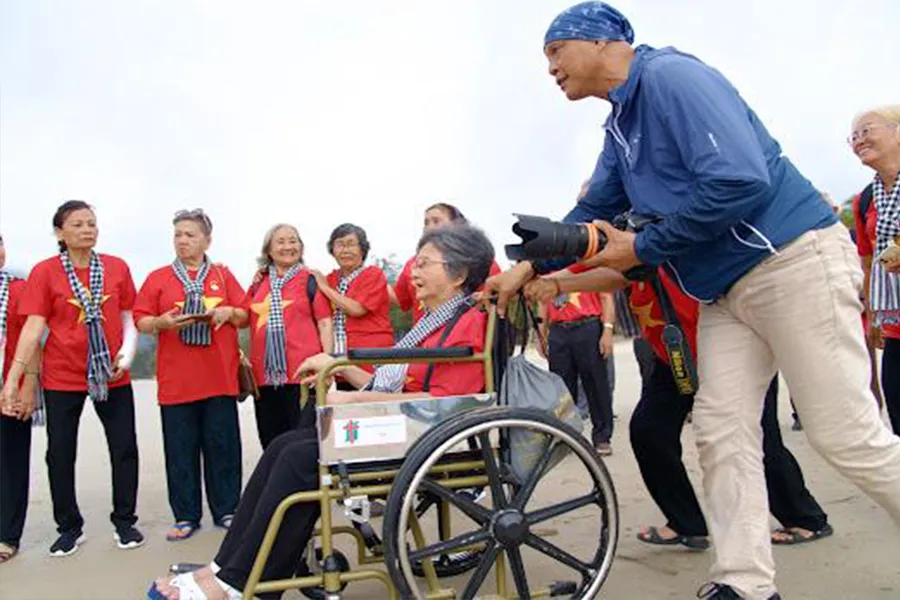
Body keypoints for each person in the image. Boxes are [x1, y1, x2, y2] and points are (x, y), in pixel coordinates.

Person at [484, 4, 900, 598]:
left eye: (555, 51)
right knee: (721, 430)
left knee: (846, 435)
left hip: (790, 260)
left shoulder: (670, 77)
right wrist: (524, 266)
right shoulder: (620, 129)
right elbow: (588, 216)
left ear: (604, 41)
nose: (549, 68)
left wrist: (645, 244)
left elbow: (739, 180)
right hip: (722, 290)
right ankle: (745, 583)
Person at [148, 224, 494, 600]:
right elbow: (393, 383)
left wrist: (349, 400)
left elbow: (440, 404)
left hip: (424, 436)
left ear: (458, 275)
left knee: (301, 457)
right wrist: (337, 366)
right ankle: (226, 568)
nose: (413, 271)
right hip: (401, 425)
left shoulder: (466, 324)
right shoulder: (433, 323)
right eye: (416, 262)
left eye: (425, 263)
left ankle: (236, 581)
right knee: (284, 445)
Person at [527, 265, 833, 552]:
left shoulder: (660, 234)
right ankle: (688, 523)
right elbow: (597, 266)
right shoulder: (620, 241)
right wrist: (542, 279)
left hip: (732, 348)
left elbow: (612, 271)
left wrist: (553, 283)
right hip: (673, 354)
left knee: (760, 437)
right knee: (649, 431)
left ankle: (805, 518)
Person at [2, 200, 144, 557]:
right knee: (60, 453)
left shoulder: (116, 267)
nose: (87, 229)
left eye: (92, 223)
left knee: (124, 447)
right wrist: (13, 380)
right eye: (78, 224)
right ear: (59, 232)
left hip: (110, 375)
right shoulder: (45, 272)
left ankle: (125, 521)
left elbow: (129, 315)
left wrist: (127, 353)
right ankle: (68, 526)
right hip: (62, 375)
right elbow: (33, 327)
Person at [134, 209, 248, 541]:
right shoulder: (158, 278)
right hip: (177, 381)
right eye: (178, 235)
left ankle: (227, 509)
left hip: (219, 378)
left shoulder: (224, 276)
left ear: (207, 240)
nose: (182, 241)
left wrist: (228, 311)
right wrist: (160, 323)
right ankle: (185, 515)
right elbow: (141, 318)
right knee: (180, 451)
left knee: (223, 447)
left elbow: (244, 313)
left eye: (190, 235)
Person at [243, 224, 333, 449]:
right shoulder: (258, 284)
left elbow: (325, 323)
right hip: (264, 379)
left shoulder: (310, 280)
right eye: (280, 242)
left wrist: (327, 365)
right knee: (271, 443)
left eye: (293, 241)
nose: (288, 247)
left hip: (302, 376)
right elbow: (241, 318)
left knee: (303, 443)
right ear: (268, 251)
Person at [850, 106, 900, 433]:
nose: (858, 140)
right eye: (853, 136)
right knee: (896, 406)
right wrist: (873, 317)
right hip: (895, 322)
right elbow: (867, 263)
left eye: (867, 130)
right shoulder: (866, 199)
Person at [537, 273, 615, 454]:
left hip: (588, 326)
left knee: (596, 384)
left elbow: (606, 297)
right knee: (561, 387)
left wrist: (607, 331)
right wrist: (541, 335)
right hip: (559, 330)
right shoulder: (546, 268)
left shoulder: (588, 266)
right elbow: (542, 303)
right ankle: (565, 435)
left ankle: (602, 437)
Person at [0, 234, 41, 564]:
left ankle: (6, 535)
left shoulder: (19, 289)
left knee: (11, 464)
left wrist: (29, 386)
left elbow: (33, 339)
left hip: (8, 390)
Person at [312, 224, 393, 389]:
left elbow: (357, 309)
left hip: (371, 356)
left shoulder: (373, 274)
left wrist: (326, 288)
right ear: (332, 250)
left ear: (362, 249)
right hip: (341, 358)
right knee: (347, 410)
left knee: (373, 406)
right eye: (340, 244)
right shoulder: (331, 278)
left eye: (351, 244)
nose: (345, 250)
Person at [391, 203, 501, 322]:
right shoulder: (412, 264)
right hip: (425, 334)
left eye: (436, 221)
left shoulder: (478, 260)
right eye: (426, 223)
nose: (429, 227)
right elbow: (401, 299)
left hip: (466, 332)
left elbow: (498, 294)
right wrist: (378, 281)